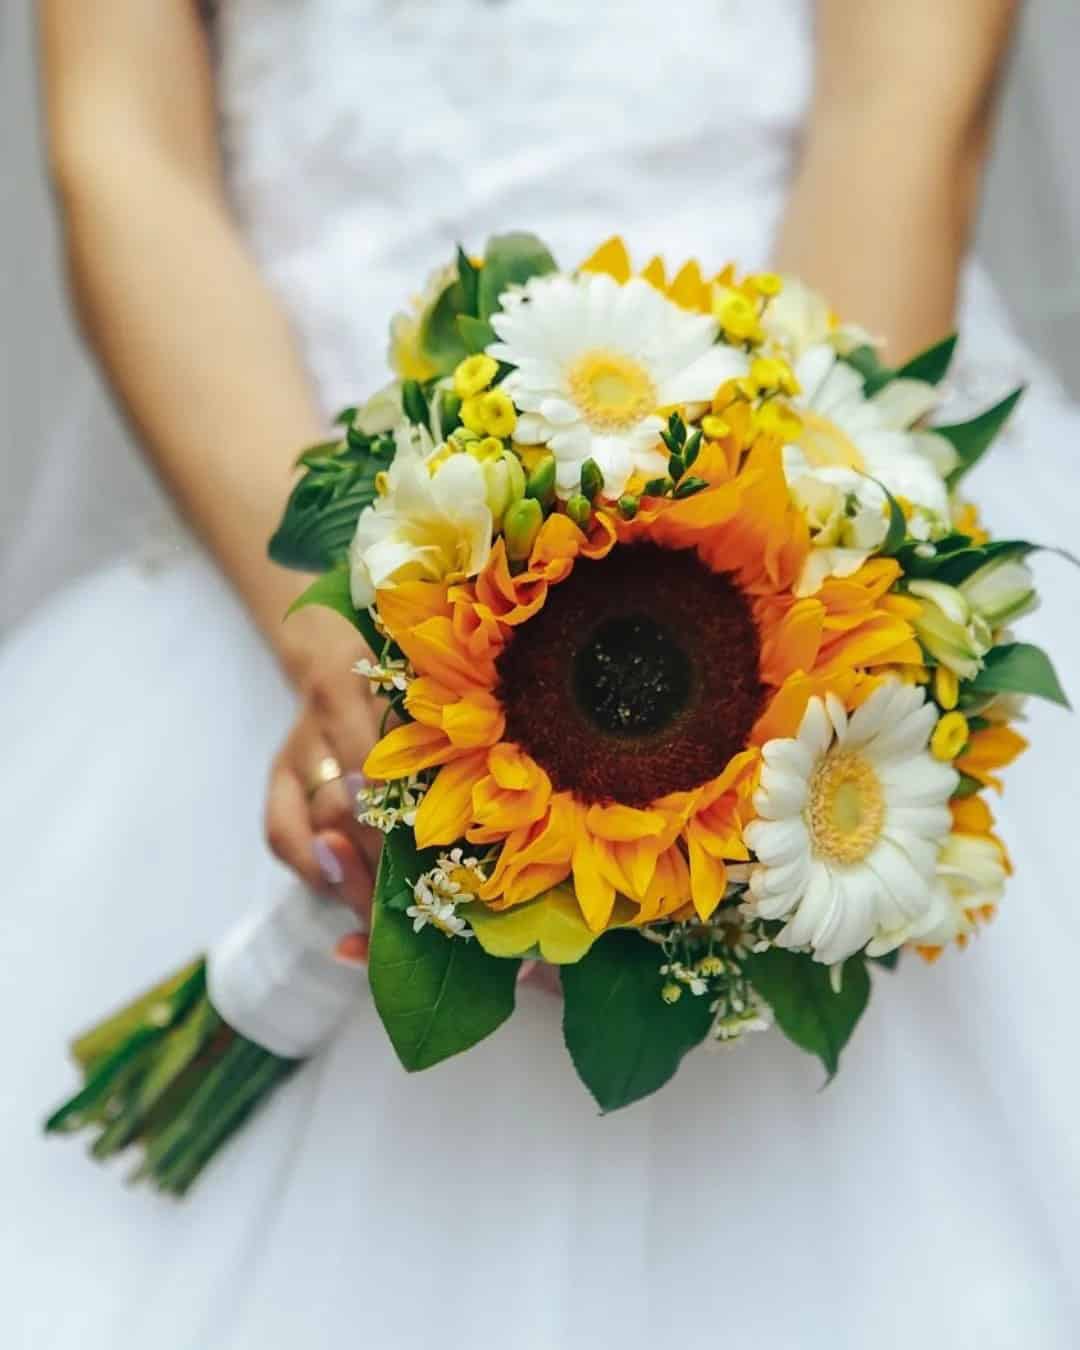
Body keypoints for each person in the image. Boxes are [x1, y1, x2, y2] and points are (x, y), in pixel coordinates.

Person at [3, 1, 1078, 1345]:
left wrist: (786, 634)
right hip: (291, 524)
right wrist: (340, 641)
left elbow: (906, 107)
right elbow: (122, 146)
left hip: (808, 458)